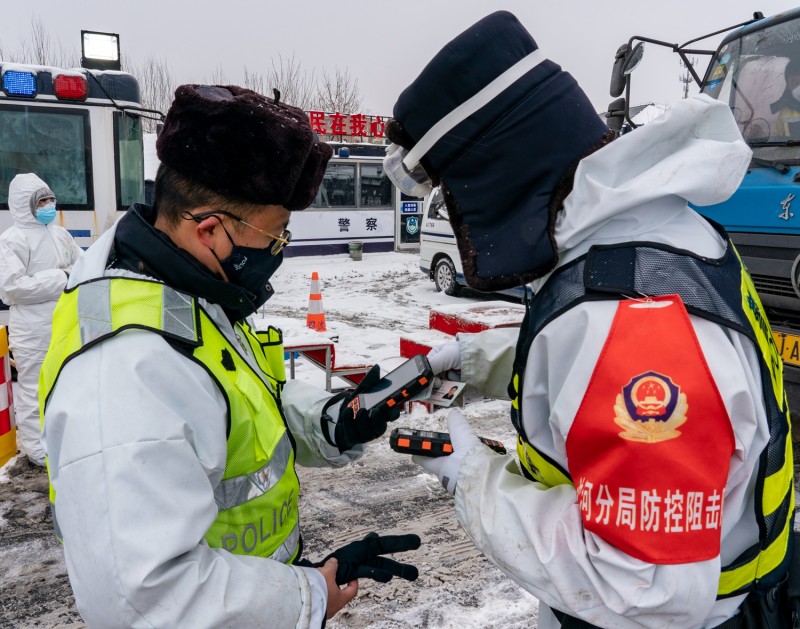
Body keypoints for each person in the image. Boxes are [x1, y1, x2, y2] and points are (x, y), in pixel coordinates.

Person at [384, 11, 796, 628]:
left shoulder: (626, 315)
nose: (461, 219)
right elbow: (591, 371)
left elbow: (643, 590)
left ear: (499, 173)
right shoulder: (653, 231)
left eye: (454, 194)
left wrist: (466, 470)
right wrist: (469, 362)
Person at [40, 85, 420, 628]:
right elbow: (144, 601)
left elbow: (239, 401)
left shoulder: (184, 291)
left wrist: (335, 422)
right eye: (276, 236)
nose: (279, 251)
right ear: (211, 229)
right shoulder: (124, 369)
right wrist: (309, 596)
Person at [0, 174, 82, 466]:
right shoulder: (12, 240)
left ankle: (63, 439)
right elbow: (11, 288)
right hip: (32, 331)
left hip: (65, 323)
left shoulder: (60, 234)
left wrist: (70, 274)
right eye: (41, 201)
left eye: (50, 199)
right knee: (34, 388)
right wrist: (60, 276)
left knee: (65, 384)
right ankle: (36, 447)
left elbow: (82, 267)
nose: (49, 205)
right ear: (25, 206)